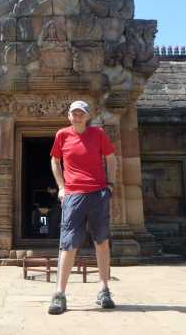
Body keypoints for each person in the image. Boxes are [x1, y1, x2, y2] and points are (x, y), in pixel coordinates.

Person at [48, 100, 118, 315]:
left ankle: (104, 289)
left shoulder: (97, 134)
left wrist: (110, 185)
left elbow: (111, 158)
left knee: (102, 241)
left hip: (97, 193)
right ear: (69, 116)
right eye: (74, 113)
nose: (78, 116)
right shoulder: (62, 135)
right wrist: (61, 187)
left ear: (87, 116)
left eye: (81, 113)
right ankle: (60, 294)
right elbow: (55, 160)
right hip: (73, 195)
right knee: (68, 244)